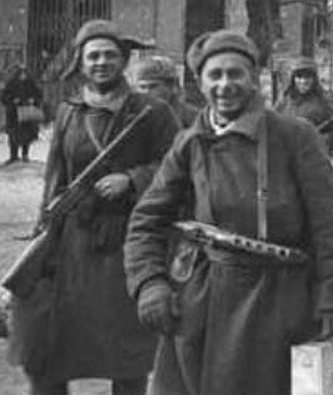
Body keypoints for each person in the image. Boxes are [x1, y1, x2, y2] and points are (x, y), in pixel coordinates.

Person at [124, 30, 333, 395]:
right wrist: (150, 283)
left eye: (236, 74)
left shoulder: (294, 135)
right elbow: (146, 220)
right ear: (199, 84)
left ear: (254, 79)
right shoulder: (191, 142)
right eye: (214, 75)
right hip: (203, 297)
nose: (225, 85)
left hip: (279, 299)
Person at [8, 20, 179, 395]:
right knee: (50, 342)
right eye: (93, 56)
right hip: (72, 241)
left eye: (110, 55)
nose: (102, 62)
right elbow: (56, 174)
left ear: (123, 61)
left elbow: (176, 168)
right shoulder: (70, 111)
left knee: (126, 348)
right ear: (81, 63)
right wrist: (44, 228)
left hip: (127, 242)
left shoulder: (152, 112)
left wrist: (132, 179)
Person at [129, 55, 199, 129]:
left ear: (172, 86)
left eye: (153, 87)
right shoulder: (131, 119)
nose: (146, 92)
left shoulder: (194, 119)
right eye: (142, 87)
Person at [2, 64, 44, 164]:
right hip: (14, 114)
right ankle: (13, 156)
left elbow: (39, 94)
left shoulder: (31, 83)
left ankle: (25, 155)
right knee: (13, 135)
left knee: (26, 135)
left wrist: (33, 100)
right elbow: (4, 96)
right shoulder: (11, 83)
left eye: (25, 73)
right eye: (21, 73)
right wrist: (12, 100)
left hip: (26, 114)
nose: (23, 76)